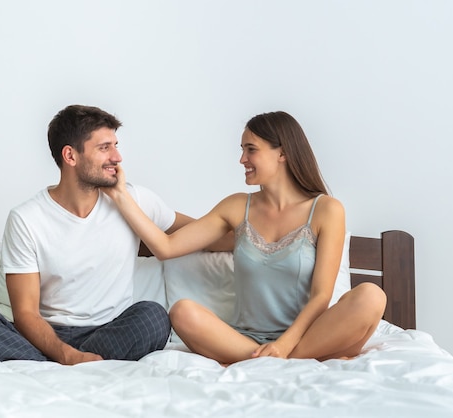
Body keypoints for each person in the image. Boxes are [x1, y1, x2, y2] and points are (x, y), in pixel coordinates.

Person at [103, 111, 387, 365]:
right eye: (242, 150)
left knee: (371, 297)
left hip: (305, 337)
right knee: (183, 311)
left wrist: (285, 344)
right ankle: (289, 360)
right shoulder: (237, 207)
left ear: (283, 153)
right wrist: (121, 196)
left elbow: (322, 295)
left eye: (251, 150)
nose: (242, 159)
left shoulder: (326, 210)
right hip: (245, 342)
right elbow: (166, 247)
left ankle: (281, 360)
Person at [0, 104, 204, 364]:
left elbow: (203, 232)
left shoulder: (133, 199)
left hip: (109, 332)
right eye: (104, 148)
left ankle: (42, 368)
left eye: (115, 145)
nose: (117, 157)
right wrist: (66, 354)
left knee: (153, 316)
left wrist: (242, 230)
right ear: (70, 156)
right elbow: (26, 314)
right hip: (43, 334)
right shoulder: (27, 218)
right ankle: (59, 365)